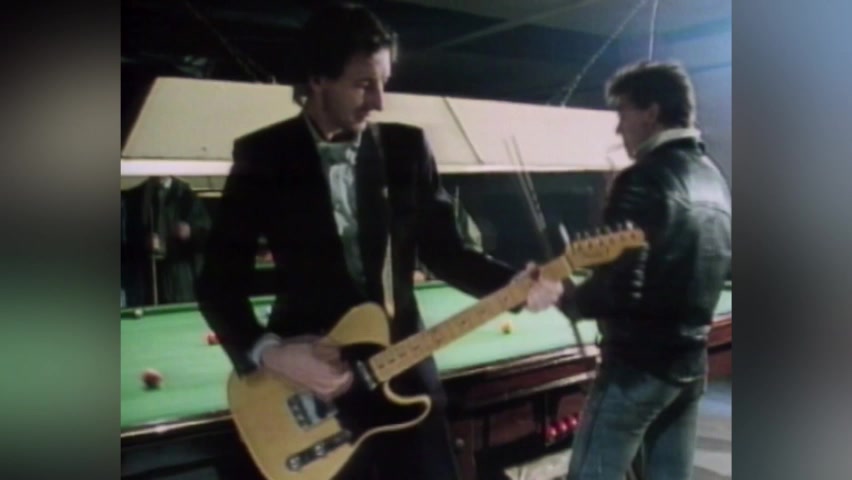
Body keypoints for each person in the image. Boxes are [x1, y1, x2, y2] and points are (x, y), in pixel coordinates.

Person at [194, 3, 564, 480]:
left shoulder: (406, 149)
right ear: (317, 80)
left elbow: (446, 252)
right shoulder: (264, 154)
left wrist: (513, 286)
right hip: (310, 377)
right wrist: (270, 351)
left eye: (384, 82)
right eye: (363, 84)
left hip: (404, 364)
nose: (379, 101)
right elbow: (217, 282)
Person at [560, 61, 731, 480]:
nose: (619, 128)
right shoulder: (713, 178)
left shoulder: (642, 179)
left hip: (636, 369)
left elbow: (618, 288)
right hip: (690, 364)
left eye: (623, 112)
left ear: (651, 113)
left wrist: (568, 299)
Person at [121, 176, 211, 306]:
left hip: (180, 284)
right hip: (145, 285)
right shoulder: (136, 197)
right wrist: (143, 242)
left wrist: (190, 232)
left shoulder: (187, 196)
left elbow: (209, 238)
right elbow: (126, 240)